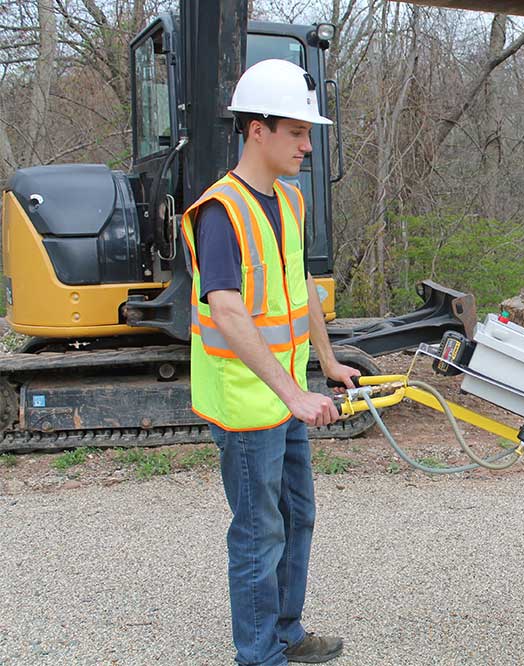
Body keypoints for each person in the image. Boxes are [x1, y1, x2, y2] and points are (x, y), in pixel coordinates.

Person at [180, 58, 360, 666]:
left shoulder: (289, 201)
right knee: (259, 533)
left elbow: (300, 288)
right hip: (247, 403)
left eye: (308, 133)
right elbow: (228, 310)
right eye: (297, 132)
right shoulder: (220, 211)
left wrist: (327, 363)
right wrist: (293, 393)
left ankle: (286, 633)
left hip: (285, 398)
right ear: (258, 130)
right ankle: (258, 656)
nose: (308, 146)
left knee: (297, 517)